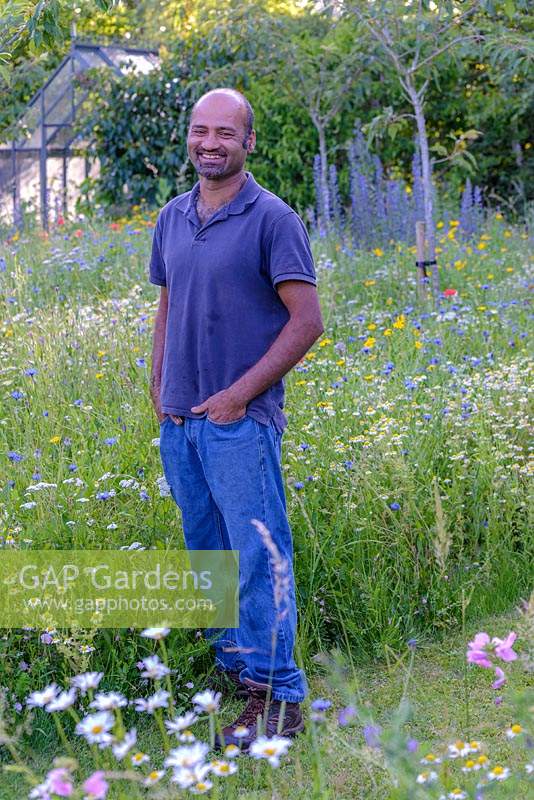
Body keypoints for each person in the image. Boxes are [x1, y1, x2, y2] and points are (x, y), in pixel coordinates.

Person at [149, 87, 324, 748]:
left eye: (226, 132)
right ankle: (237, 675)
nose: (210, 143)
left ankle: (280, 698)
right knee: (210, 554)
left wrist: (239, 396)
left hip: (237, 422)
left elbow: (307, 323)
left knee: (257, 555)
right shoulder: (171, 217)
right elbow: (168, 305)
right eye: (201, 130)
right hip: (181, 421)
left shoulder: (272, 218)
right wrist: (160, 385)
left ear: (249, 143)